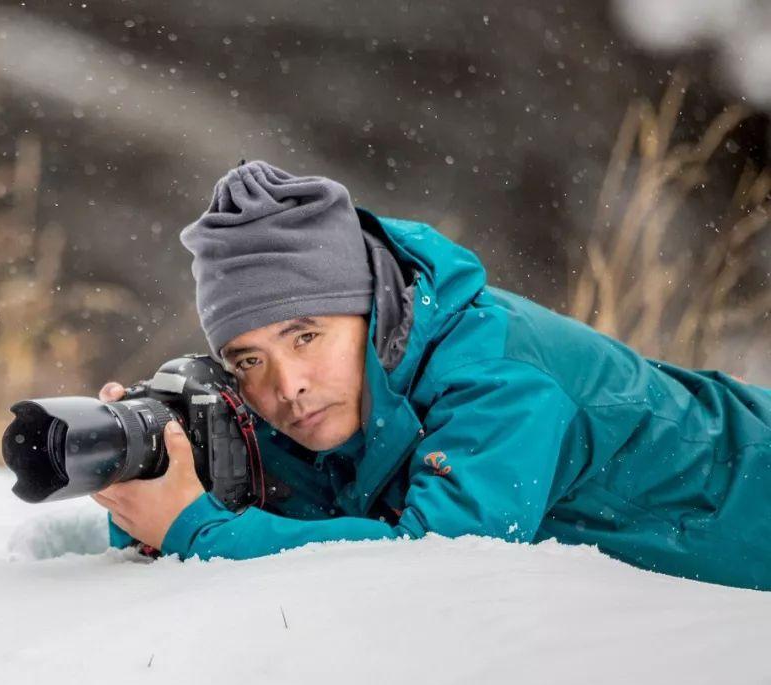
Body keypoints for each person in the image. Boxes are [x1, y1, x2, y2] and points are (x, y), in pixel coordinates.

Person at [91, 159, 771, 590]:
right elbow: (307, 509)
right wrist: (156, 466)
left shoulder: (497, 381)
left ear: (373, 310)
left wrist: (200, 532)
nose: (287, 384)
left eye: (306, 335)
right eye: (249, 359)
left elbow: (438, 556)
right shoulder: (349, 391)